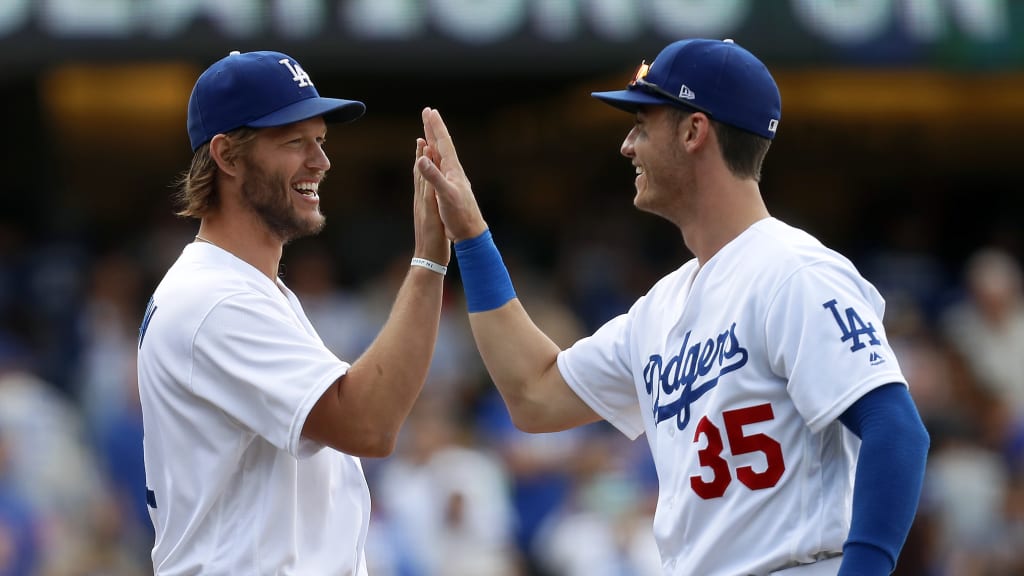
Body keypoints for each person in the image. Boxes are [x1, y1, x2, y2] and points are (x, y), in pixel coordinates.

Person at [415, 38, 931, 575]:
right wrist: (471, 236)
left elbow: (896, 431)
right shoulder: (662, 307)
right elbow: (534, 395)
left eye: (641, 123)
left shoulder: (794, 272)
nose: (627, 145)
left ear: (693, 131)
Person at [136, 50, 450, 574]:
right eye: (293, 141)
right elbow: (368, 425)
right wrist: (428, 263)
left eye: (321, 141)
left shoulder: (245, 287)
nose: (320, 161)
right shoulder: (216, 300)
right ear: (227, 156)